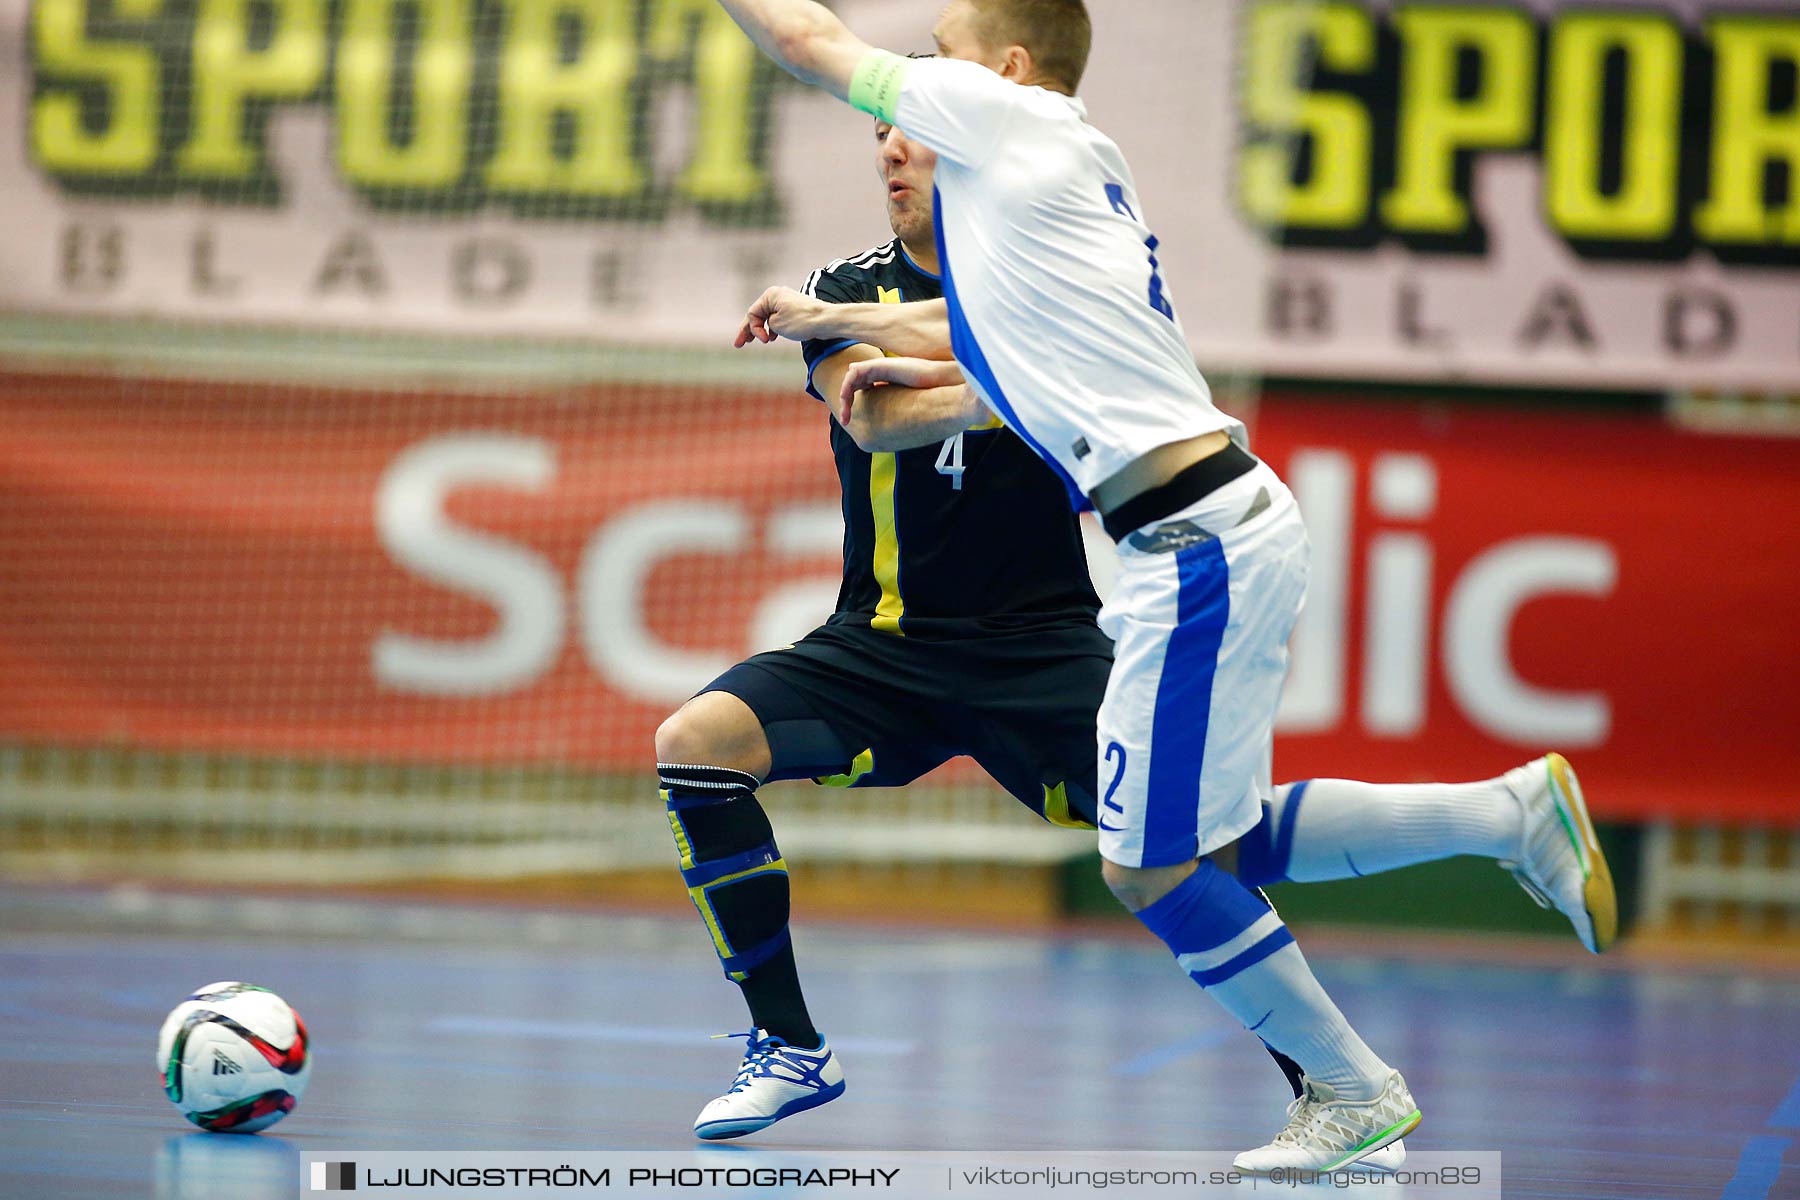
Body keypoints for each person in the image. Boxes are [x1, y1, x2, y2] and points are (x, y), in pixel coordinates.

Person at [707, 0, 1617, 1172]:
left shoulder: (1002, 124)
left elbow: (809, 45)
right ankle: (1506, 818)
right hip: (1201, 532)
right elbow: (986, 341)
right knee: (1216, 838)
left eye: (942, 54)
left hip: (1193, 546)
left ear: (1007, 68)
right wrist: (832, 313)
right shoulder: (1053, 187)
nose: (920, 84)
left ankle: (1352, 1088)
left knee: (1147, 867)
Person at [656, 108, 1116, 1141]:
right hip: (882, 648)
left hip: (1042, 647)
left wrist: (982, 373)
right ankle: (790, 1049)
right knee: (695, 746)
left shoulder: (1048, 272)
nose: (891, 154)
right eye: (881, 137)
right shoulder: (846, 293)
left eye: (918, 136)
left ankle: (1329, 1081)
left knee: (1191, 846)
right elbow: (874, 418)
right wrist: (1017, 393)